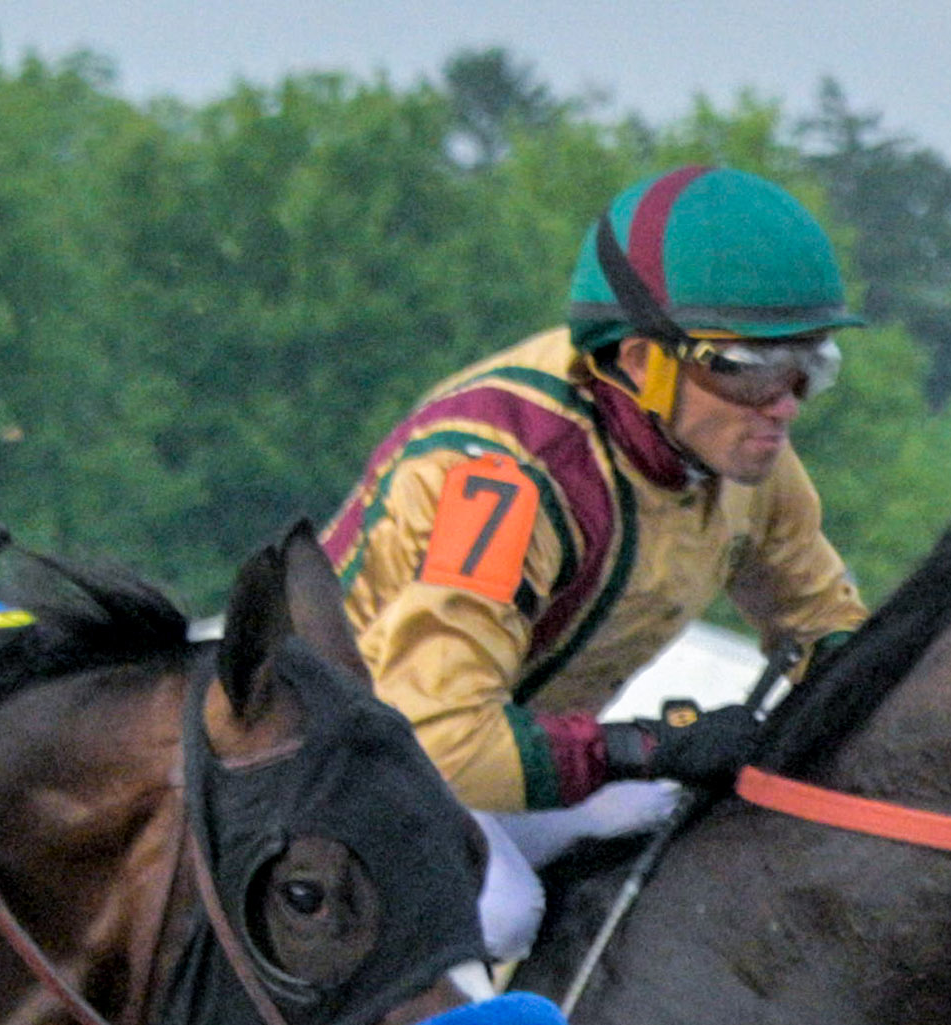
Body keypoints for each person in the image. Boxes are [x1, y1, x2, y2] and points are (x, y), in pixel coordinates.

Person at [334, 163, 871, 962]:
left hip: (485, 760)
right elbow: (441, 738)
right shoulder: (505, 477)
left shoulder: (740, 457)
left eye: (808, 366)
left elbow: (827, 629)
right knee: (500, 909)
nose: (784, 403)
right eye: (752, 367)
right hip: (342, 761)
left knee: (665, 821)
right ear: (635, 358)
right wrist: (643, 745)